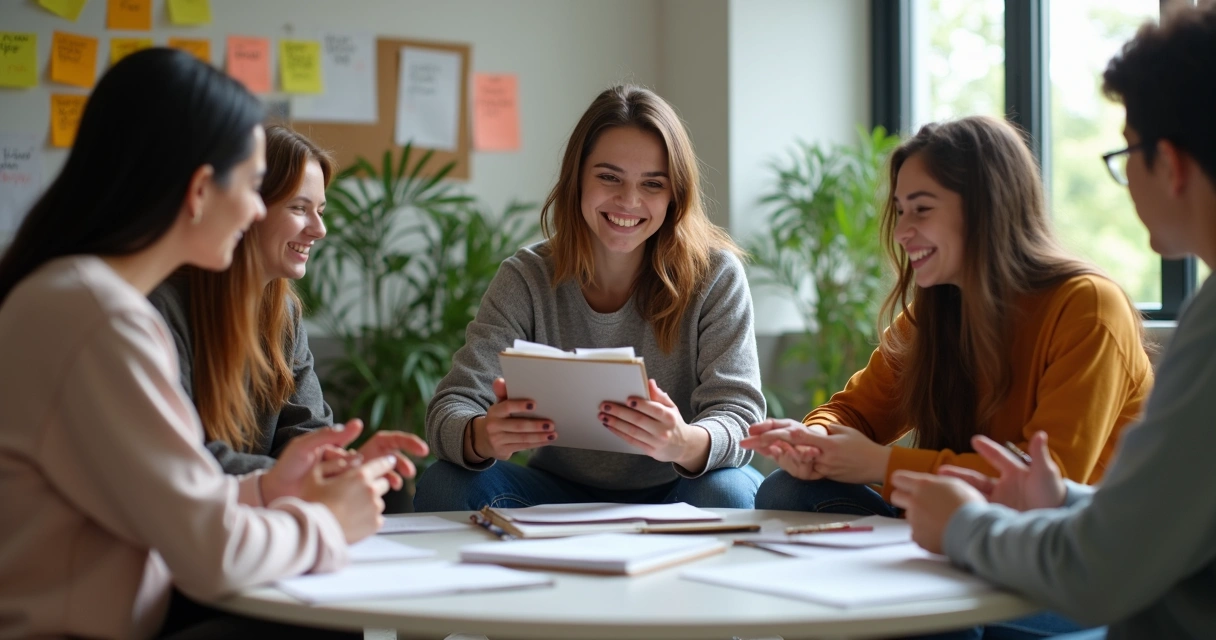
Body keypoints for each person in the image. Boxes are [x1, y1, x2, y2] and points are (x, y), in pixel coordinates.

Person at [0, 48, 396, 639]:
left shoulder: (83, 298)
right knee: (320, 625)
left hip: (132, 608)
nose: (255, 210)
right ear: (200, 190)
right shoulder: (97, 316)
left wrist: (270, 486)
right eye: (255, 186)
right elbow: (210, 550)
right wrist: (327, 525)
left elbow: (172, 496)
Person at [891, 4, 1216, 639]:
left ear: (1171, 164)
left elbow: (1103, 569)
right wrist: (1063, 500)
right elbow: (1162, 519)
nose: (904, 231)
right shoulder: (934, 311)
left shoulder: (1120, 310)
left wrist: (962, 526)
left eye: (1127, 154)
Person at [741, 115, 1153, 521]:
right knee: (787, 487)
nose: (901, 232)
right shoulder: (938, 311)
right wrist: (814, 440)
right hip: (962, 522)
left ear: (987, 209)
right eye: (900, 210)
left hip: (1058, 537)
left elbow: (1045, 481)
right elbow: (855, 412)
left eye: (921, 209)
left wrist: (882, 464)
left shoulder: (1088, 306)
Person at [414, 85, 765, 512]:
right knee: (445, 485)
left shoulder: (715, 275)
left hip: (681, 484)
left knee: (725, 492)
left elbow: (740, 416)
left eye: (652, 184)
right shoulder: (526, 278)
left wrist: (683, 442)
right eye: (609, 177)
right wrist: (480, 435)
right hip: (556, 489)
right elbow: (451, 406)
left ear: (675, 195)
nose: (629, 201)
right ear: (577, 178)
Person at [148, 125, 427, 481]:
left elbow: (308, 432)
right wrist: (303, 476)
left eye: (320, 210)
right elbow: (184, 459)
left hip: (266, 507)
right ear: (247, 208)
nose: (319, 229)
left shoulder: (284, 313)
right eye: (299, 208)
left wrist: (342, 467)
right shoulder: (162, 309)